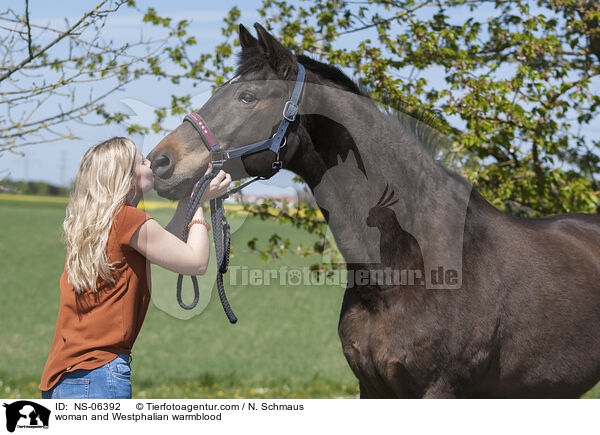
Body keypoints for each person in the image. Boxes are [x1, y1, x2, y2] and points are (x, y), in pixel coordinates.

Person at [38, 137, 231, 399]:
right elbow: (195, 262)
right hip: (100, 374)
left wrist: (190, 197)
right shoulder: (128, 218)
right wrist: (199, 205)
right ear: (126, 177)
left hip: (63, 378)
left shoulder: (100, 225)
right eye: (142, 161)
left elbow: (168, 245)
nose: (150, 163)